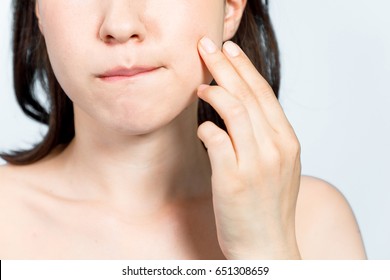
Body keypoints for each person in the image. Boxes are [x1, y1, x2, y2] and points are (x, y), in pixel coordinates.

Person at [0, 0, 366, 259]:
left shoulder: (314, 221)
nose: (120, 26)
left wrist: (266, 252)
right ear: (38, 10)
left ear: (232, 6)